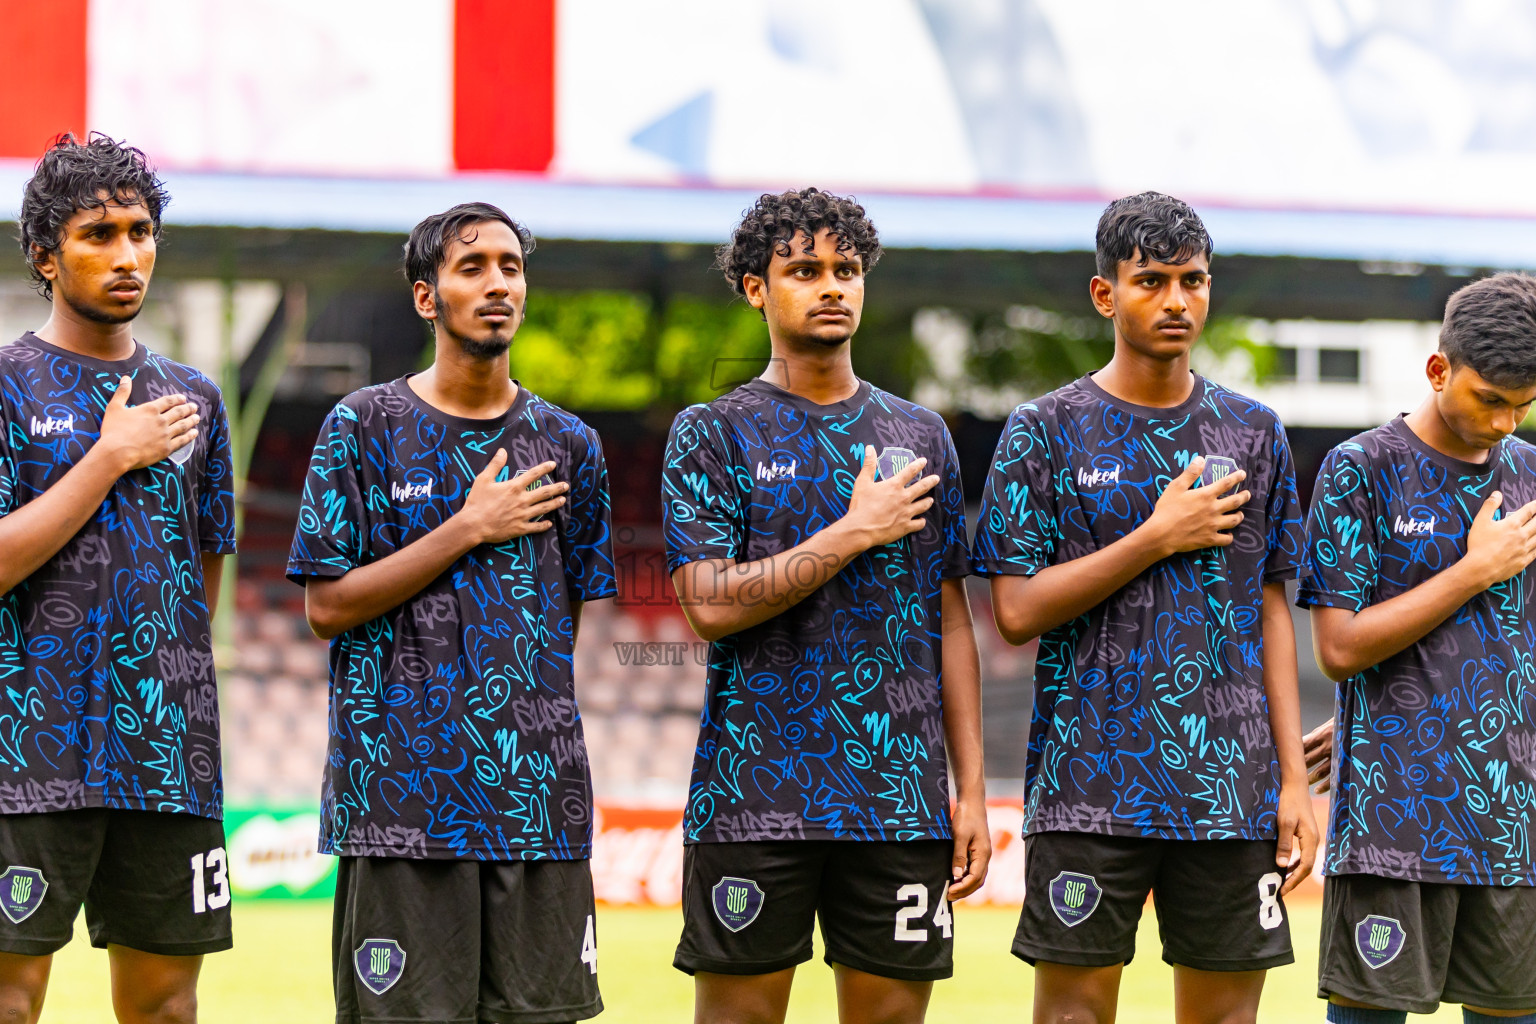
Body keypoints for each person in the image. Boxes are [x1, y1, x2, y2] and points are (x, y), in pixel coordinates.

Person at [971, 191, 1318, 1024]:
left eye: (1193, 281)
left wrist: (1291, 783)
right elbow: (1015, 613)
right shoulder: (1043, 429)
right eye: (1152, 281)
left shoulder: (1255, 431)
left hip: (1231, 789)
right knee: (1071, 1015)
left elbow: (1273, 606)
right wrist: (1156, 536)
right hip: (1089, 782)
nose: (1176, 302)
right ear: (1105, 295)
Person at [660, 187, 989, 1024]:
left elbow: (951, 619)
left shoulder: (920, 436)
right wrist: (852, 531)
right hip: (753, 794)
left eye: (847, 269)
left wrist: (972, 789)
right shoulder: (713, 432)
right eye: (804, 269)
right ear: (754, 288)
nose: (832, 285)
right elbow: (708, 606)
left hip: (900, 801)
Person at [287, 202, 616, 1024]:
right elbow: (326, 606)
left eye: (511, 266)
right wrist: (468, 528)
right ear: (427, 298)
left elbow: (566, 615)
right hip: (399, 801)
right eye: (472, 268)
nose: (498, 283)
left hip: (536, 805)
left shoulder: (570, 444)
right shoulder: (361, 428)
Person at [0, 133, 233, 1024]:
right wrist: (107, 460)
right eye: (99, 234)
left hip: (167, 759)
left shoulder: (197, 397)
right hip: (26, 753)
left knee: (168, 1009)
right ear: (44, 256)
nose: (127, 254)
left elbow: (200, 574)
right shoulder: (9, 384)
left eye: (141, 231)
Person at [1296, 273, 1536, 1023]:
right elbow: (1337, 649)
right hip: (1393, 824)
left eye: (1523, 405)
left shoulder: (1533, 477)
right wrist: (1473, 571)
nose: (1505, 423)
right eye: (1489, 399)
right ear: (1438, 371)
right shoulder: (1358, 471)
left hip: (1512, 826)